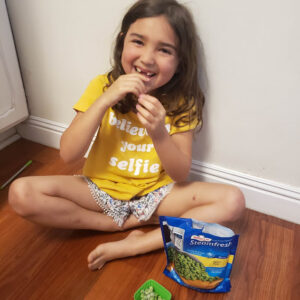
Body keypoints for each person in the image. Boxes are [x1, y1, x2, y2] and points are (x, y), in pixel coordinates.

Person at [8, 0, 245, 271]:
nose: (147, 58)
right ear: (123, 42)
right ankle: (114, 225)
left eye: (164, 50)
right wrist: (105, 99)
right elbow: (68, 154)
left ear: (180, 62)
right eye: (138, 42)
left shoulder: (183, 101)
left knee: (232, 201)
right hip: (99, 190)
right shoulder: (101, 86)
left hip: (156, 196)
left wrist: (158, 132)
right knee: (21, 193)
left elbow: (180, 174)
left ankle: (137, 243)